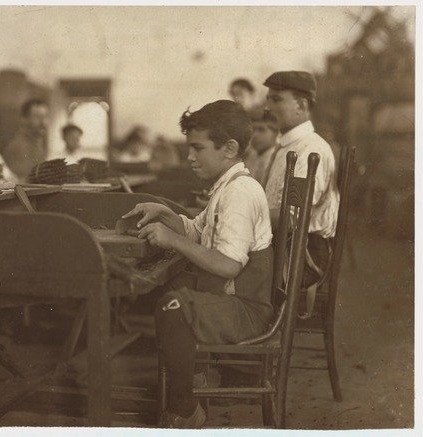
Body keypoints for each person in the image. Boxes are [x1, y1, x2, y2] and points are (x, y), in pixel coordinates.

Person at [122, 100, 273, 428]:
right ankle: (193, 378)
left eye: (197, 148)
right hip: (230, 297)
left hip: (245, 308)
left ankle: (185, 407)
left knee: (173, 306)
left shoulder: (241, 193)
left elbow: (229, 265)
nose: (189, 156)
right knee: (176, 287)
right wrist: (163, 212)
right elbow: (195, 229)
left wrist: (173, 240)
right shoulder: (227, 187)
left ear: (229, 148)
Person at [263, 71, 340, 287]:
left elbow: (291, 218)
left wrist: (240, 212)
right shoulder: (286, 147)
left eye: (276, 99)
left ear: (301, 105)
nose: (267, 107)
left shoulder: (310, 150)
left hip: (302, 257)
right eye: (268, 98)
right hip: (281, 246)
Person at [2, 98, 49, 180]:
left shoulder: (39, 142)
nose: (43, 122)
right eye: (37, 117)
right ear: (24, 119)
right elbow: (21, 183)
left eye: (45, 117)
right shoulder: (17, 146)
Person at [243, 111, 279, 187]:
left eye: (261, 130)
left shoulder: (276, 158)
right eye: (253, 130)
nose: (255, 135)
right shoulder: (251, 156)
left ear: (275, 133)